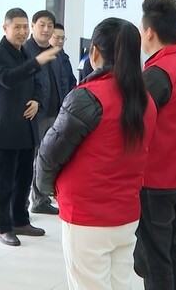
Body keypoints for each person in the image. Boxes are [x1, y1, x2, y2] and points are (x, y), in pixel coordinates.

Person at [37, 17, 157, 290]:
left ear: (94, 52)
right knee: (122, 284)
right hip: (126, 213)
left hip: (87, 215)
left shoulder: (87, 97)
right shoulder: (145, 99)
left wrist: (45, 188)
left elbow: (50, 153)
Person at [132, 0, 176, 290]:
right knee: (172, 251)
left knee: (156, 259)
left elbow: (137, 126)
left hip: (156, 181)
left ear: (149, 32)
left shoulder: (157, 74)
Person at [0, 8, 60, 246]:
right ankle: (3, 227)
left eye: (25, 27)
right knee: (4, 181)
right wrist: (37, 62)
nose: (22, 32)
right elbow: (8, 78)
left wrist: (37, 100)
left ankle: (20, 220)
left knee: (24, 177)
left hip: (27, 127)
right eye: (17, 27)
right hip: (6, 127)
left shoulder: (24, 53)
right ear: (5, 28)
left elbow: (38, 82)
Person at [25, 10, 66, 215]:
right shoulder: (26, 51)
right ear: (33, 26)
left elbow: (62, 80)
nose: (46, 29)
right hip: (35, 114)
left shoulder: (54, 53)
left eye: (49, 25)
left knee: (47, 158)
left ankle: (41, 200)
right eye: (42, 25)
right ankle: (22, 205)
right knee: (30, 160)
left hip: (55, 113)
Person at [51, 23, 78, 95]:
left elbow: (72, 81)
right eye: (57, 38)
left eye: (63, 38)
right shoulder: (44, 59)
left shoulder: (65, 59)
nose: (60, 41)